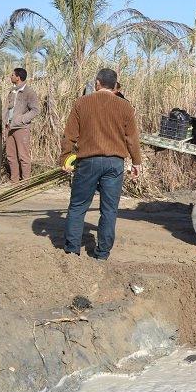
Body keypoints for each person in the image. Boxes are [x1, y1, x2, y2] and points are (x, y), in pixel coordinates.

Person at [60, 68, 141, 260]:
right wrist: (136, 162)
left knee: (78, 206)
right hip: (115, 164)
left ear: (97, 83)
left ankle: (72, 250)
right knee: (109, 209)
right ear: (114, 86)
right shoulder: (125, 107)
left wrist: (64, 158)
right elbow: (132, 138)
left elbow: (69, 135)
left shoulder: (82, 103)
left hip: (87, 162)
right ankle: (102, 253)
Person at [2, 67, 40, 183]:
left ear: (18, 77)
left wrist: (22, 120)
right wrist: (5, 121)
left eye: (12, 75)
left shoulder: (29, 92)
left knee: (23, 156)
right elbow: (8, 108)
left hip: (22, 128)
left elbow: (35, 110)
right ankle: (15, 182)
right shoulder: (12, 91)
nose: (11, 76)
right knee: (11, 156)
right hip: (10, 128)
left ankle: (25, 183)